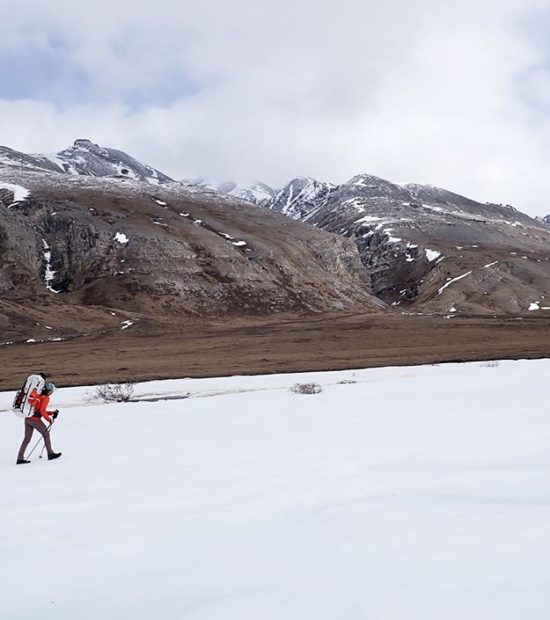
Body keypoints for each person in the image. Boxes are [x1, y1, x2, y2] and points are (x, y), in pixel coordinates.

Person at [16, 382, 62, 464]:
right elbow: (42, 411)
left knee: (26, 439)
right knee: (46, 434)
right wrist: (49, 420)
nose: (52, 392)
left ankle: (20, 458)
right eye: (52, 391)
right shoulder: (46, 398)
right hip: (35, 420)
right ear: (48, 391)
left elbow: (39, 410)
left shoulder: (39, 396)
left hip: (27, 418)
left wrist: (51, 413)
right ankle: (50, 453)